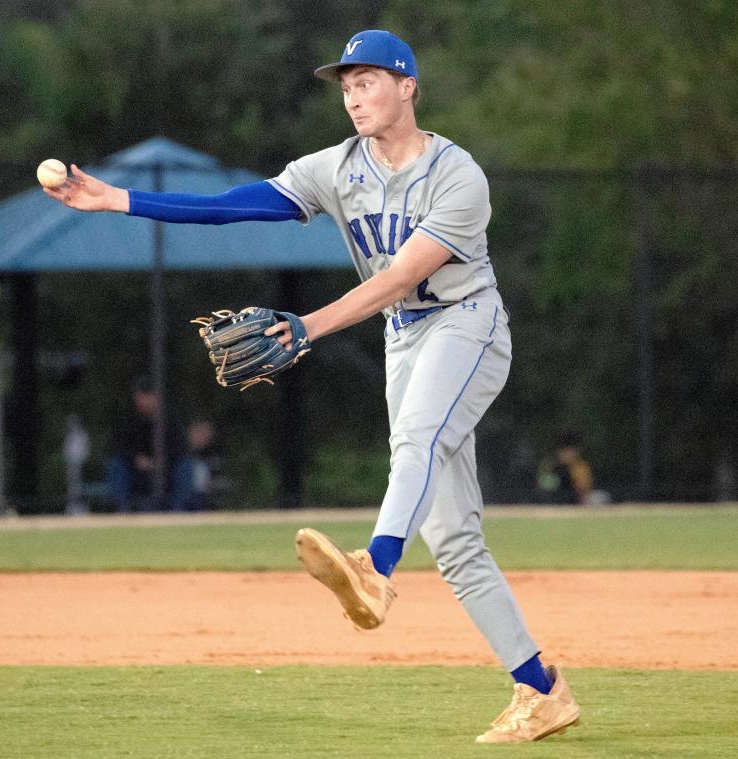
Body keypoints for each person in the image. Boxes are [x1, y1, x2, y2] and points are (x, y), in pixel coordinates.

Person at [43, 29, 580, 743]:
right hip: (406, 335)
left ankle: (375, 569)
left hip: (467, 324)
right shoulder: (338, 167)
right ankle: (541, 689)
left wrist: (309, 325)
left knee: (416, 438)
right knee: (453, 537)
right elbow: (237, 204)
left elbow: (399, 277)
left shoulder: (458, 176)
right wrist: (119, 200)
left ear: (407, 86)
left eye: (368, 82)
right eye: (347, 86)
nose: (354, 97)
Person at [105, 376, 163, 512]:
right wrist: (136, 459)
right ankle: (122, 510)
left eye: (147, 396)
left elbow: (178, 448)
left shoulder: (168, 420)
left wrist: (158, 462)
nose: (143, 401)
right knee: (115, 466)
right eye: (141, 396)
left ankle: (179, 512)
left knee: (185, 467)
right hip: (132, 469)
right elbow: (117, 446)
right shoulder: (127, 419)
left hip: (164, 468)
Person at [537, 431, 595, 505]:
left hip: (573, 503)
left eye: (569, 451)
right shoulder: (550, 466)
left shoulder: (579, 467)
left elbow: (584, 491)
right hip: (550, 504)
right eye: (564, 451)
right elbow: (543, 487)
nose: (566, 454)